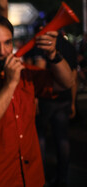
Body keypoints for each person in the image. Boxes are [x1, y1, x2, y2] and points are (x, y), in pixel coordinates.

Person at [0, 14, 74, 186]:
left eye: (8, 43)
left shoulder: (24, 71)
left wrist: (53, 55)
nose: (3, 51)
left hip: (31, 176)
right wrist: (10, 83)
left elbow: (66, 82)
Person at [25, 30, 78, 186]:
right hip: (64, 98)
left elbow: (39, 70)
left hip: (46, 97)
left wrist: (34, 99)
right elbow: (72, 78)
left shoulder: (41, 43)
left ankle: (39, 177)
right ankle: (63, 177)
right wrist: (73, 102)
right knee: (62, 138)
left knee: (39, 137)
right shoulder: (69, 46)